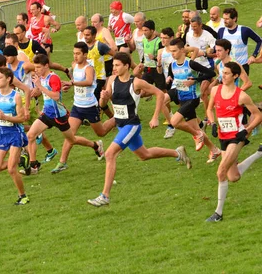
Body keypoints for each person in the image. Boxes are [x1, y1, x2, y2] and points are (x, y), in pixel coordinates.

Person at [87, 52, 191, 207]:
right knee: (144, 154)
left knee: (109, 154)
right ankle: (177, 153)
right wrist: (104, 96)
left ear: (127, 66)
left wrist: (155, 116)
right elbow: (103, 104)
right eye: (113, 65)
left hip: (131, 125)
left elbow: (159, 94)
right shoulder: (111, 80)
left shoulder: (136, 83)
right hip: (120, 123)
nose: (114, 68)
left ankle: (105, 196)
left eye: (117, 65)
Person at [204, 62, 262, 222]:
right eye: (223, 72)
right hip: (223, 137)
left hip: (237, 137)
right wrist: (213, 123)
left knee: (221, 171)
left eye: (228, 73)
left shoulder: (241, 96)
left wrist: (247, 129)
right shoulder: (215, 90)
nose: (223, 75)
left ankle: (218, 214)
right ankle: (259, 153)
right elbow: (209, 109)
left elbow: (258, 115)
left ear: (236, 76)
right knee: (233, 176)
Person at [25, 54, 100, 175]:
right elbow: (44, 92)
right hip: (47, 114)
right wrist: (37, 91)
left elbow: (56, 96)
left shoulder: (53, 78)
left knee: (72, 139)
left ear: (46, 66)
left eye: (38, 67)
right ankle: (34, 166)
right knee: (31, 135)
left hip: (59, 116)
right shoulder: (41, 78)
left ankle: (95, 145)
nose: (36, 70)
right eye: (35, 67)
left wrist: (40, 87)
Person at [51, 43, 109, 173]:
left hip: (90, 106)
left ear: (85, 54)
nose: (75, 56)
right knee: (70, 135)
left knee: (102, 132)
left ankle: (116, 119)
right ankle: (62, 162)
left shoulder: (89, 68)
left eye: (78, 53)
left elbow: (88, 82)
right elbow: (75, 80)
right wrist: (69, 86)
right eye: (74, 53)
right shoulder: (74, 65)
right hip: (77, 106)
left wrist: (72, 83)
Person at [161, 38, 220, 163]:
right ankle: (214, 150)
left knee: (174, 121)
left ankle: (197, 135)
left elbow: (210, 73)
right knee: (196, 128)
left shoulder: (191, 64)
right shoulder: (172, 64)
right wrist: (169, 80)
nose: (172, 54)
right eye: (171, 51)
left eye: (175, 51)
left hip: (192, 98)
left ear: (182, 50)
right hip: (181, 97)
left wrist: (195, 80)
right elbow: (173, 79)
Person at [0, 67, 30, 205]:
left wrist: (6, 117)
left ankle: (23, 196)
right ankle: (21, 160)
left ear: (8, 79)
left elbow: (22, 118)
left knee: (11, 169)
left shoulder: (16, 96)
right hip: (2, 133)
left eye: (0, 77)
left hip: (15, 133)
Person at [218, 7, 262, 75]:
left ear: (234, 18)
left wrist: (254, 55)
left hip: (242, 66)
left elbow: (260, 41)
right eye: (224, 18)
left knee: (241, 85)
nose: (224, 21)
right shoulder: (221, 31)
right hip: (226, 66)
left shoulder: (244, 30)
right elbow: (218, 48)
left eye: (227, 19)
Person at [83, 26, 114, 118]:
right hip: (88, 77)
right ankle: (112, 118)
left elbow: (114, 54)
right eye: (84, 35)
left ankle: (92, 117)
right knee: (101, 99)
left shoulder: (100, 46)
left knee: (94, 96)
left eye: (88, 35)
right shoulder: (83, 47)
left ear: (94, 35)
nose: (85, 37)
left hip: (99, 77)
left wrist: (115, 67)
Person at [140, 20, 166, 91]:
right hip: (147, 69)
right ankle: (151, 93)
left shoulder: (159, 42)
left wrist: (154, 58)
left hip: (157, 70)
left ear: (152, 31)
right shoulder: (144, 40)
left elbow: (164, 58)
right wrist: (142, 62)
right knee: (142, 91)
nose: (144, 32)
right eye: (143, 30)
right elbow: (145, 53)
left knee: (163, 93)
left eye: (146, 30)